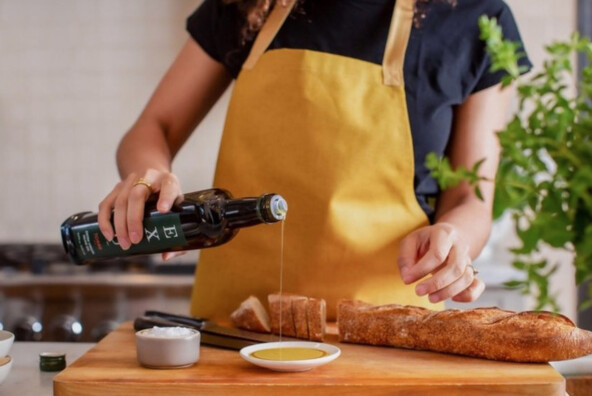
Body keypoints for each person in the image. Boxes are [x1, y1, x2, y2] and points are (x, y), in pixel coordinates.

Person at [97, 0, 531, 321]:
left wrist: (454, 240)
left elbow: (471, 198)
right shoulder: (252, 5)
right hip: (236, 332)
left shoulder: (478, 20)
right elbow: (153, 127)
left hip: (390, 333)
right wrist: (148, 175)